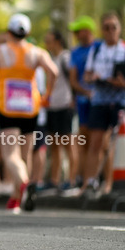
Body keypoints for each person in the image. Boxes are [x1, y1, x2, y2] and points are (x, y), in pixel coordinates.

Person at [0, 14, 58, 213]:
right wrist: (47, 95)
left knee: (10, 154)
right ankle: (17, 198)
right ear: (28, 33)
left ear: (9, 32)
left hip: (7, 107)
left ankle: (24, 183)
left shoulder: (0, 51)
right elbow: (54, 72)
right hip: (30, 107)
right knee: (26, 155)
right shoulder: (37, 52)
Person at [80, 11, 125, 198]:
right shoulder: (96, 50)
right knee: (96, 143)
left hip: (121, 101)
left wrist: (124, 82)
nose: (110, 31)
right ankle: (88, 184)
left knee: (119, 142)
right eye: (106, 28)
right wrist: (96, 78)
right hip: (99, 101)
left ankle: (111, 184)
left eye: (113, 27)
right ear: (102, 29)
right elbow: (86, 76)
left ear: (119, 28)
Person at [64, 16, 98, 194]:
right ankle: (83, 181)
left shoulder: (99, 47)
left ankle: (98, 180)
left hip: (100, 104)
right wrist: (87, 93)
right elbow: (73, 80)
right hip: (83, 104)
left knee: (99, 143)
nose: (76, 34)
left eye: (78, 31)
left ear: (87, 31)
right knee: (83, 142)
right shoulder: (75, 52)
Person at [42, 31, 76, 193]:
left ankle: (72, 179)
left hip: (65, 105)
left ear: (57, 41)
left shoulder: (65, 57)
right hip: (52, 106)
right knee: (54, 145)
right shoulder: (51, 59)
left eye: (49, 40)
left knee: (68, 144)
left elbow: (73, 79)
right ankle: (54, 180)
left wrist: (73, 99)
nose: (46, 44)